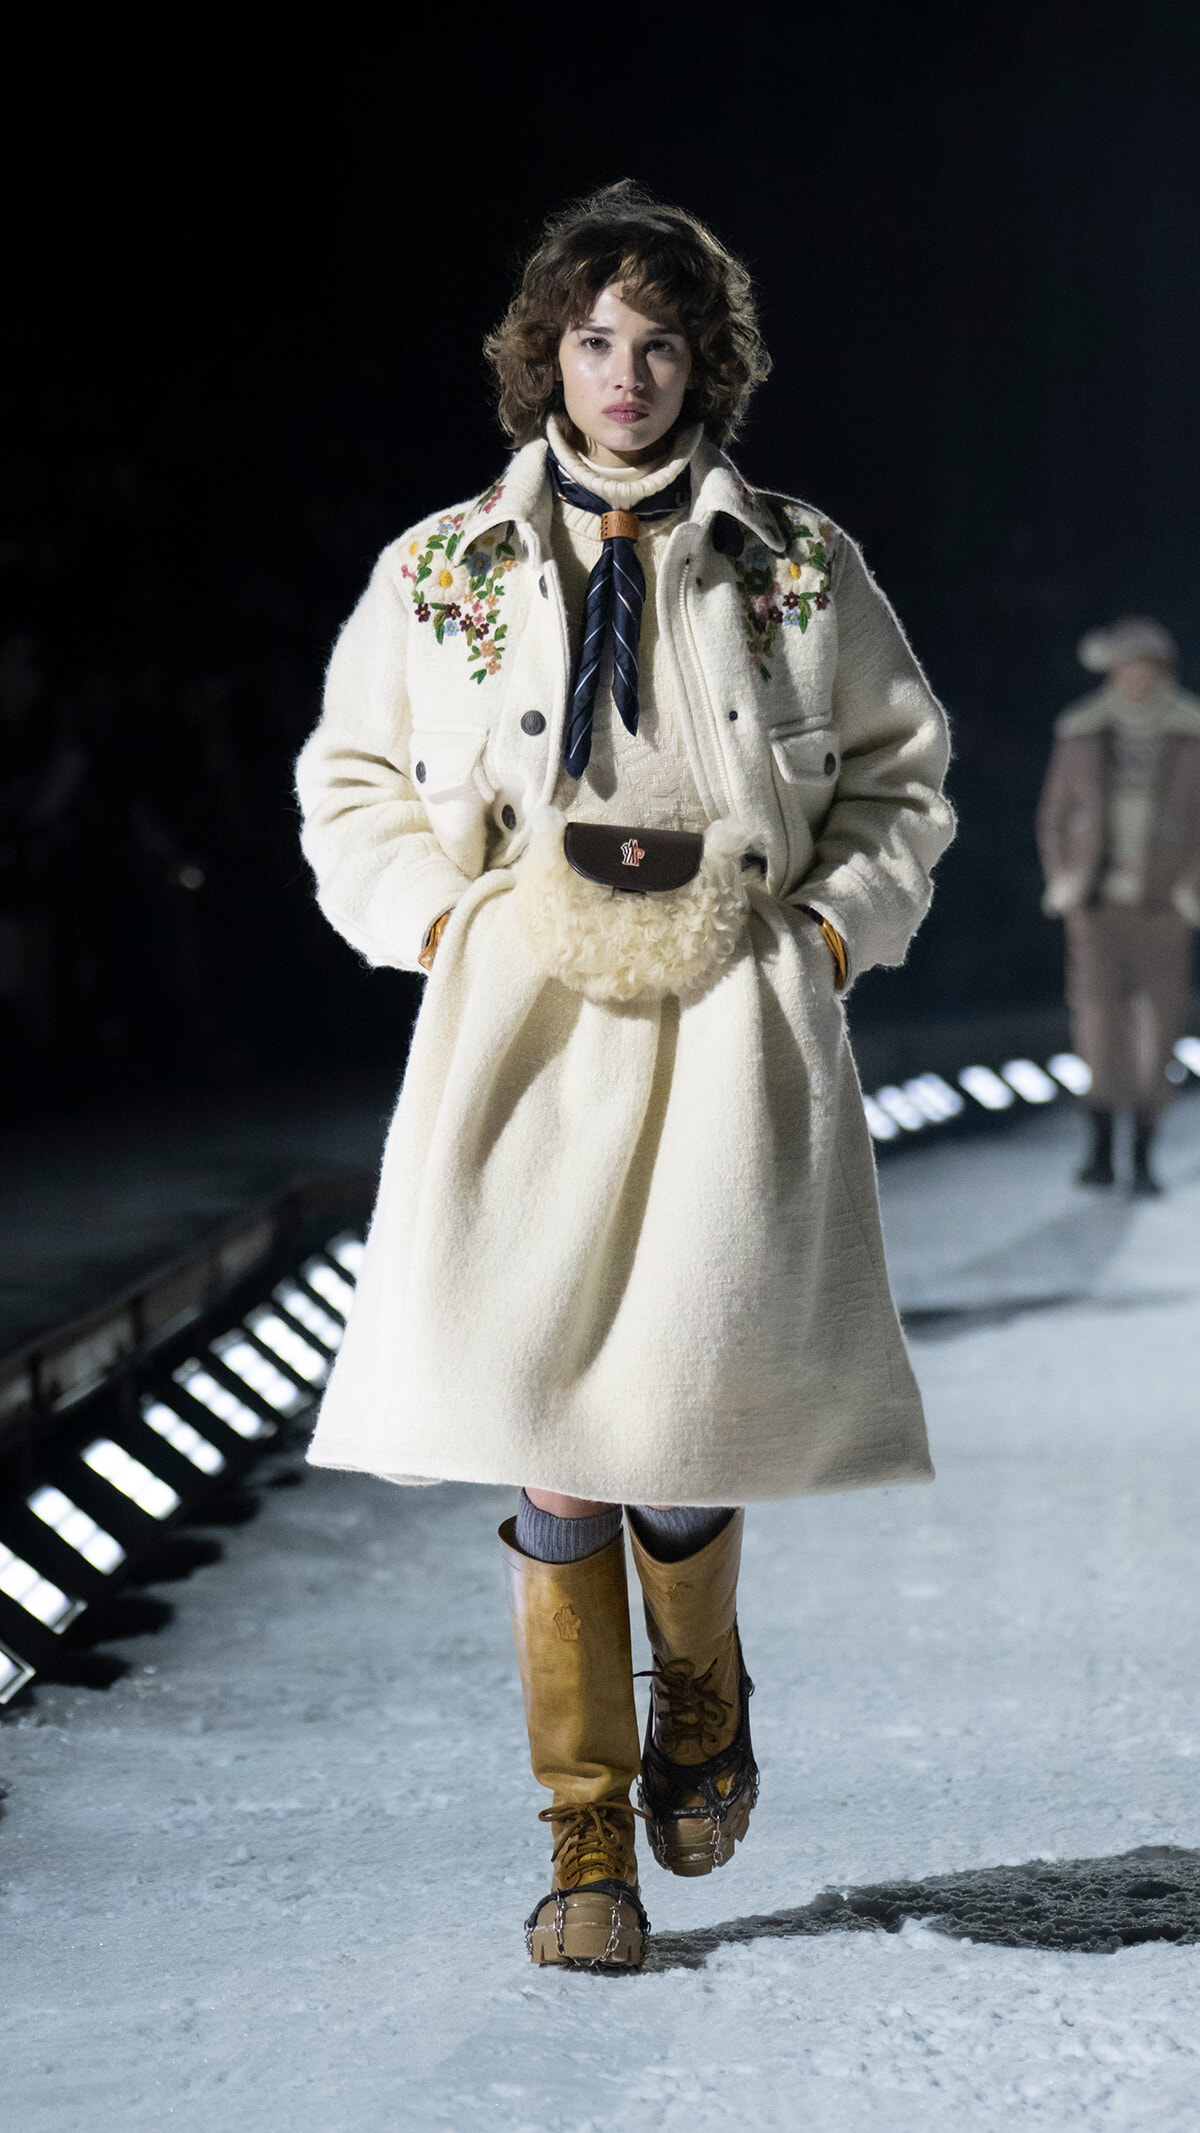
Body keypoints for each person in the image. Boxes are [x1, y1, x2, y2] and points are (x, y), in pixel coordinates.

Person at [296, 182, 953, 1971]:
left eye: (661, 341)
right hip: (525, 1031)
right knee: (554, 1441)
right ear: (547, 356)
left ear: (704, 361)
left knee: (681, 1424)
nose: (627, 371)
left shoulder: (797, 560)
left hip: (731, 1021)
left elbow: (901, 775)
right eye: (595, 338)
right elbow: (351, 778)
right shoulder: (445, 567)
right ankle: (586, 1837)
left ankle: (701, 1698)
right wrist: (446, 926)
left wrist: (829, 938)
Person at [1038, 616, 1200, 1195]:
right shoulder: (1082, 730)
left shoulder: (1191, 732)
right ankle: (1101, 1149)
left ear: (1163, 671)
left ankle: (1144, 1154)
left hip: (1165, 908)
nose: (1135, 679)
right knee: (1098, 1025)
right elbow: (1055, 815)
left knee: (1159, 1028)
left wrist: (1190, 889)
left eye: (1145, 668)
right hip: (1098, 906)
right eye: (1125, 668)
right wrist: (1064, 880)